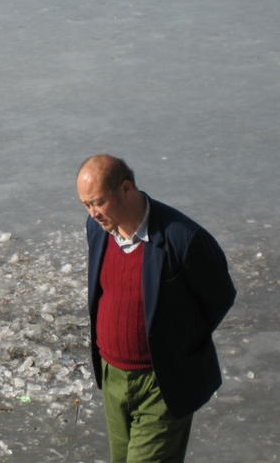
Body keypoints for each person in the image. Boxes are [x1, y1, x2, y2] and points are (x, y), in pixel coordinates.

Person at [76, 154, 236, 463]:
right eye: (86, 205)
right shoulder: (98, 230)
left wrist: (175, 345)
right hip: (113, 378)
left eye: (98, 203)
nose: (93, 213)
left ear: (126, 189)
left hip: (161, 383)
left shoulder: (183, 239)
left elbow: (219, 297)